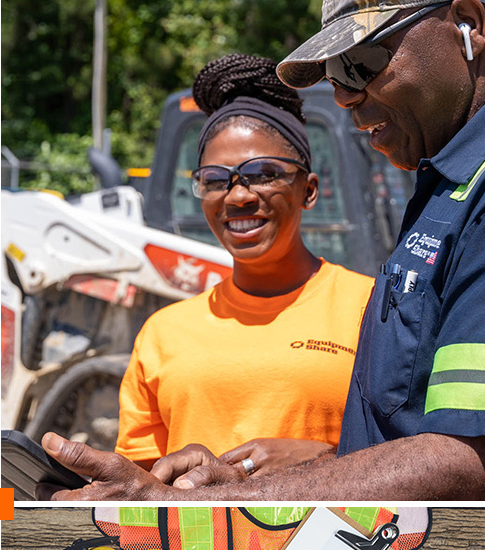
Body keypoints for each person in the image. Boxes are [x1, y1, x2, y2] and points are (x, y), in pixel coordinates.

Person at [39, 0, 485, 500]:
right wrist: (298, 468)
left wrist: (207, 500)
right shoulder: (439, 201)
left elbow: (464, 456)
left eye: (363, 63)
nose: (343, 96)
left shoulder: (367, 300)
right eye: (214, 180)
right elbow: (403, 443)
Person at [116, 53, 373, 476]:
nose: (238, 197)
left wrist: (324, 461)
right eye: (216, 180)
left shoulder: (373, 309)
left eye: (264, 172)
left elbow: (422, 456)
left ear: (308, 190)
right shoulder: (163, 334)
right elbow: (138, 483)